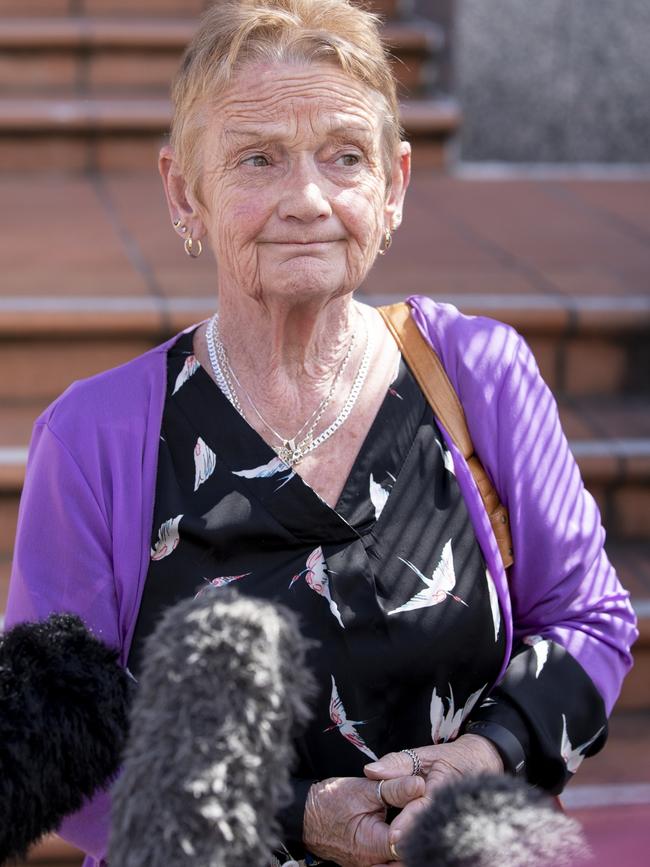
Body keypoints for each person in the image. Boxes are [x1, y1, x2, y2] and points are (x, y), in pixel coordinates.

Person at [6, 2, 638, 866]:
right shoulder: (94, 437)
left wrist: (485, 757)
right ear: (184, 191)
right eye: (258, 159)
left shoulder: (477, 373)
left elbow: (587, 619)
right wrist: (290, 812)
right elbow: (53, 746)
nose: (307, 198)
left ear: (393, 187)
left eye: (344, 157)